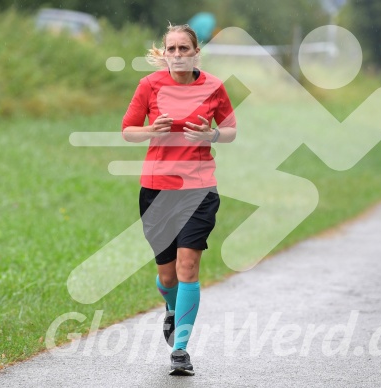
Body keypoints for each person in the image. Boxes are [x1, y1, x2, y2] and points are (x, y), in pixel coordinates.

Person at [122, 24, 237, 376]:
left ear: (195, 51)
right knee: (167, 277)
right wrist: (150, 130)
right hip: (156, 190)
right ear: (164, 53)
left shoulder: (214, 86)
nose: (177, 55)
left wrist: (212, 133)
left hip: (199, 189)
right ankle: (171, 310)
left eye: (183, 48)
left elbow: (230, 131)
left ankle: (181, 350)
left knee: (188, 266)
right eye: (171, 49)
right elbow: (127, 130)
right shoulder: (149, 86)